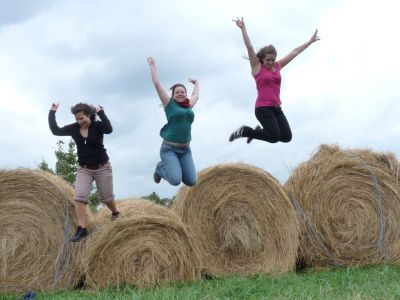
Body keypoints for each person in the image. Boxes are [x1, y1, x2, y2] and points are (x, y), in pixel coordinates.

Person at [229, 17, 320, 144]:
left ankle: (258, 131)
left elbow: (294, 53)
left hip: (276, 107)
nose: (271, 62)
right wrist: (243, 28)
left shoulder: (277, 66)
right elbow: (249, 47)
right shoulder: (257, 67)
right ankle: (246, 131)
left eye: (273, 59)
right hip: (262, 109)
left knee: (287, 137)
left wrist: (309, 42)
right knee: (274, 137)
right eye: (268, 60)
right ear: (262, 59)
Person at [48, 102, 119, 242]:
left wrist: (102, 113)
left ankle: (115, 212)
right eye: (77, 119)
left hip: (102, 167)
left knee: (107, 197)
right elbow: (56, 130)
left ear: (89, 116)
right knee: (79, 196)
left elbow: (109, 129)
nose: (79, 121)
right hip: (84, 168)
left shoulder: (97, 126)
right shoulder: (74, 128)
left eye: (82, 118)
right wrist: (52, 112)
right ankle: (82, 228)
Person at [147, 57, 199, 186]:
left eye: (183, 92)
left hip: (186, 149)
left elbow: (195, 96)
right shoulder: (169, 105)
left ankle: (174, 169)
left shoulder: (188, 106)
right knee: (175, 180)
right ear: (173, 95)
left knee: (192, 181)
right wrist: (153, 66)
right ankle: (160, 168)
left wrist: (197, 83)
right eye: (177, 92)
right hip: (169, 148)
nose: (180, 94)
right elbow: (157, 84)